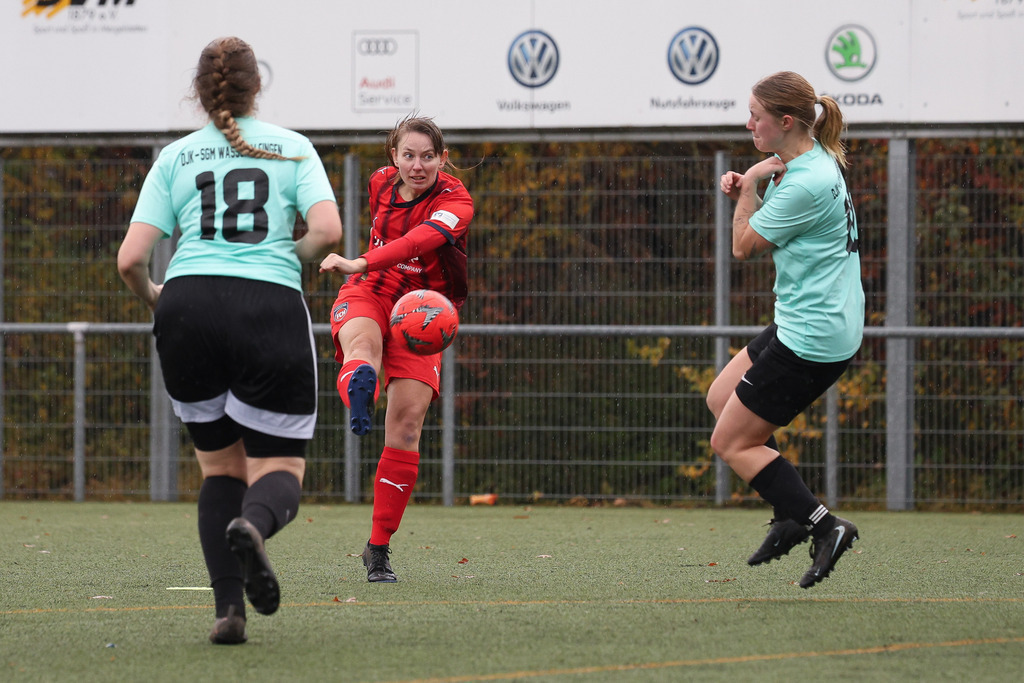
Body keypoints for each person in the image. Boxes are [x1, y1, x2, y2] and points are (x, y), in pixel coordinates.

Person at [117, 36, 342, 643]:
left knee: (219, 468)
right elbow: (328, 230)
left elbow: (131, 259)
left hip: (187, 307)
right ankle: (255, 527)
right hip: (267, 305)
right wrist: (286, 261)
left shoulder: (176, 156)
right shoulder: (292, 148)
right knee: (281, 468)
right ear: (255, 87)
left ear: (200, 90)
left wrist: (162, 300)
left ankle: (229, 614)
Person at [710, 71, 864, 588]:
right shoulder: (810, 160)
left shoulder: (806, 179)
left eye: (756, 115)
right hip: (808, 322)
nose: (748, 121)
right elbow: (779, 212)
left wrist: (748, 186)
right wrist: (754, 185)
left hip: (813, 337)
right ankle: (788, 512)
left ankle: (823, 525)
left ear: (786, 122)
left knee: (730, 442)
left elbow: (744, 247)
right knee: (720, 397)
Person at [319, 114, 473, 583]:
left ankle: (378, 549)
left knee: (406, 425)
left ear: (443, 159)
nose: (417, 165)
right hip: (371, 290)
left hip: (423, 311)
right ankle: (360, 386)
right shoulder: (379, 182)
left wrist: (358, 259)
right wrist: (364, 271)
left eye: (428, 156)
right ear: (393, 157)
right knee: (362, 346)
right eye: (408, 155)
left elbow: (418, 240)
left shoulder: (456, 200)